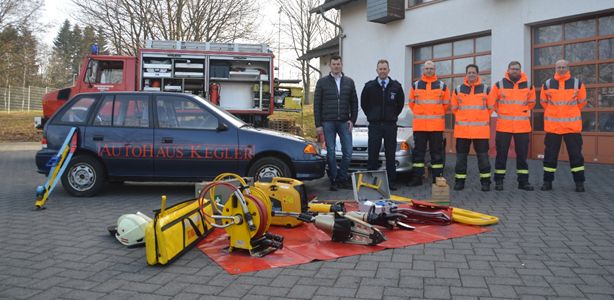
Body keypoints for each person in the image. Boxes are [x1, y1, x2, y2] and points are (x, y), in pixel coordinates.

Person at [540, 59, 587, 192]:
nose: (561, 69)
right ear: (555, 68)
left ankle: (579, 183)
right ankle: (547, 182)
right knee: (549, 157)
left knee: (576, 156)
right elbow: (543, 102)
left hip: (572, 128)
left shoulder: (577, 83)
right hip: (553, 128)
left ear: (568, 68)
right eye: (559, 67)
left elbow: (582, 102)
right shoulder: (548, 84)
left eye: (563, 67)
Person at [489, 61, 536, 191]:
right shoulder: (499, 85)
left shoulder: (528, 85)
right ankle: (499, 181)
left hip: (522, 127)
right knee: (501, 155)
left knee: (522, 156)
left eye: (517, 69)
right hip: (504, 126)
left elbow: (531, 103)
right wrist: (500, 112)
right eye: (512, 69)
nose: (515, 71)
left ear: (520, 71)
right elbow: (491, 102)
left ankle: (523, 182)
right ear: (508, 70)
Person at [314, 55, 359, 191]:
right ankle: (334, 180)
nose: (336, 66)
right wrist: (318, 124)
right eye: (334, 64)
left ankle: (342, 178)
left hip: (344, 122)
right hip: (328, 122)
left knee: (348, 152)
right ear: (330, 66)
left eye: (338, 64)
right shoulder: (322, 82)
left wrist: (353, 120)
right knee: (331, 152)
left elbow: (354, 103)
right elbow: (317, 104)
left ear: (341, 65)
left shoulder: (349, 82)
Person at [360, 59, 405, 190]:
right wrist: (371, 115)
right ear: (377, 70)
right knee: (373, 154)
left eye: (385, 69)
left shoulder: (396, 86)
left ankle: (391, 181)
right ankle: (370, 182)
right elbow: (364, 104)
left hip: (390, 125)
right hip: (374, 125)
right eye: (380, 69)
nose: (383, 71)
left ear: (388, 70)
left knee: (390, 154)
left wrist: (392, 115)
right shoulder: (369, 87)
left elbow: (400, 105)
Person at [451, 64, 495, 191]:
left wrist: (480, 118)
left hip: (480, 132)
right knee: (461, 159)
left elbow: (491, 107)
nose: (471, 74)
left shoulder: (486, 89)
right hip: (462, 131)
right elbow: (454, 108)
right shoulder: (458, 89)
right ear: (466, 74)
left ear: (477, 74)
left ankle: (486, 182)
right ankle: (459, 182)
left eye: (473, 72)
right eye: (469, 72)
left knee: (483, 158)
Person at [407, 60, 450, 186]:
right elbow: (411, 103)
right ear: (423, 70)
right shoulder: (415, 85)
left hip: (436, 126)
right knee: (418, 154)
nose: (429, 70)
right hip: (420, 126)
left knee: (436, 154)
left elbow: (446, 104)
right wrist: (421, 114)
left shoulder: (442, 86)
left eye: (431, 68)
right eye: (427, 68)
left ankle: (437, 179)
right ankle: (417, 178)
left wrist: (435, 114)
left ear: (435, 70)